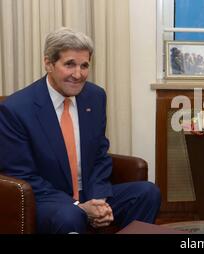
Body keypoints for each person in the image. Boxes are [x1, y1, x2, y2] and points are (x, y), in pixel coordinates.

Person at [0, 27, 161, 234]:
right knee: (70, 216)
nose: (78, 74)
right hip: (48, 199)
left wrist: (99, 200)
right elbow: (21, 174)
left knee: (147, 192)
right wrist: (78, 207)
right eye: (69, 64)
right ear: (48, 63)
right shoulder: (16, 109)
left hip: (88, 193)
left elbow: (99, 155)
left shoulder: (94, 97)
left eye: (84, 66)